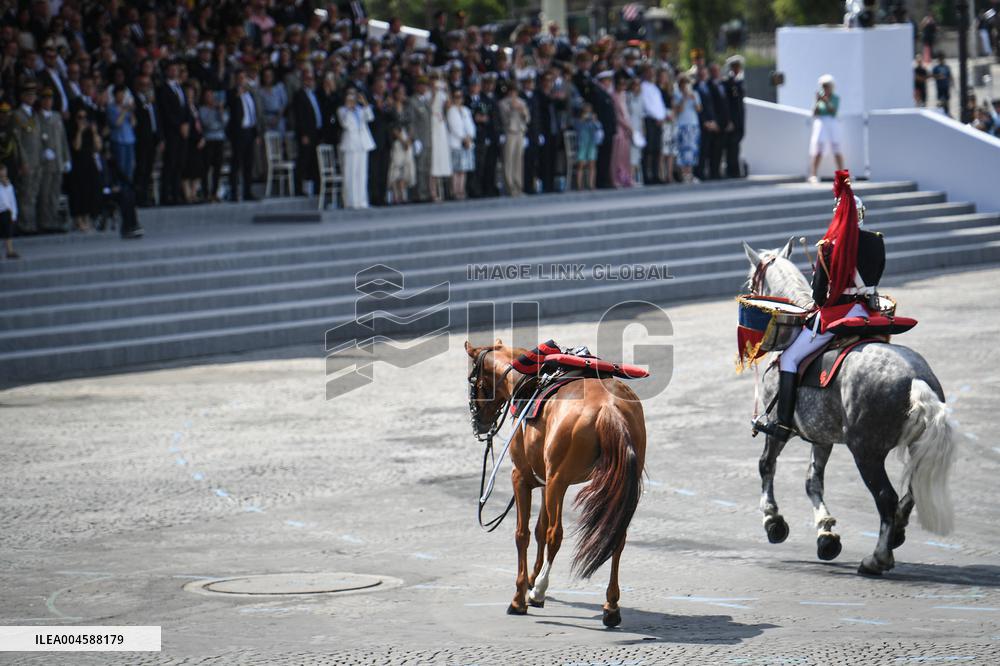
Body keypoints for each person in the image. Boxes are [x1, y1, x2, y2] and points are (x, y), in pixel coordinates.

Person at [755, 171, 883, 441]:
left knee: (788, 359)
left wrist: (822, 276)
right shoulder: (877, 241)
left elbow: (819, 298)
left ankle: (784, 424)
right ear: (862, 215)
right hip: (870, 312)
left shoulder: (829, 247)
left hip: (841, 315)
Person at [38, 87, 70, 232]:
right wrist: (43, 152)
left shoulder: (56, 116)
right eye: (45, 99)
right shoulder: (37, 117)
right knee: (45, 193)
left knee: (55, 193)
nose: (48, 102)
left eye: (50, 99)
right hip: (45, 163)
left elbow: (63, 140)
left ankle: (53, 219)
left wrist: (66, 158)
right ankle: (45, 221)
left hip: (57, 161)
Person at [226, 68, 261, 202]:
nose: (242, 81)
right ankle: (234, 192)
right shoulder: (231, 93)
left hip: (249, 131)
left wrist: (256, 133)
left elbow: (253, 114)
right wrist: (237, 94)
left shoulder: (250, 94)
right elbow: (229, 107)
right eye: (239, 78)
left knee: (248, 163)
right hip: (238, 132)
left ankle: (248, 191)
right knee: (236, 163)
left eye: (244, 78)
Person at [337, 88, 375, 209]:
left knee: (362, 174)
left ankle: (362, 201)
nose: (353, 99)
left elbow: (370, 117)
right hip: (350, 145)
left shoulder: (361, 109)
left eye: (354, 96)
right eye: (350, 96)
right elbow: (345, 124)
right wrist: (349, 108)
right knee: (350, 174)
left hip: (362, 144)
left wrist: (364, 103)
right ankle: (350, 201)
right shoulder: (342, 110)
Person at [68, 109, 104, 232]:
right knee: (79, 191)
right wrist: (80, 130)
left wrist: (94, 132)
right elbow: (76, 146)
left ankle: (88, 216)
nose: (83, 120)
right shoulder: (73, 130)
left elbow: (98, 146)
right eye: (80, 117)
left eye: (85, 117)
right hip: (78, 164)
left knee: (90, 189)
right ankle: (79, 219)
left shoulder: (90, 131)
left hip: (90, 162)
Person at [13, 81, 41, 234]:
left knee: (34, 193)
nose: (32, 98)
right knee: (25, 194)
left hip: (37, 159)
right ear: (22, 96)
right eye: (29, 95)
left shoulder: (34, 114)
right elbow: (18, 141)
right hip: (27, 161)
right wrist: (22, 161)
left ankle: (32, 223)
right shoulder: (17, 115)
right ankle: (25, 225)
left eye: (33, 95)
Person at [808, 74, 844, 184]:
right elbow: (814, 113)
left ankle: (842, 176)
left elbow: (833, 111)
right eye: (823, 86)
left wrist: (826, 101)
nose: (824, 88)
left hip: (832, 124)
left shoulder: (835, 98)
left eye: (826, 86)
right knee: (818, 148)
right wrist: (817, 101)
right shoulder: (820, 99)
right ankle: (813, 174)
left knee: (836, 147)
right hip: (821, 124)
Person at [292, 68, 323, 196]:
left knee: (315, 162)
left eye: (311, 79)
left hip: (316, 131)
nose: (309, 81)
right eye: (307, 79)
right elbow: (299, 116)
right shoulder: (299, 95)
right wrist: (303, 134)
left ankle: (316, 188)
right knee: (303, 161)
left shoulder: (314, 93)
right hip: (306, 133)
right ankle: (298, 189)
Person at [498, 81, 529, 196]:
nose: (513, 94)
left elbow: (527, 118)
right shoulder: (503, 103)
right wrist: (512, 108)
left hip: (520, 132)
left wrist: (522, 110)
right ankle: (509, 187)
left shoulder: (522, 102)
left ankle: (518, 186)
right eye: (511, 91)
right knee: (508, 160)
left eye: (515, 92)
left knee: (518, 160)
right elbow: (504, 119)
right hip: (509, 132)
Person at [405, 76, 433, 202]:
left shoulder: (425, 101)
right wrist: (414, 138)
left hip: (427, 139)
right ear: (417, 87)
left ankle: (426, 192)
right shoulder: (412, 101)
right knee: (419, 168)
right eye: (421, 85)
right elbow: (410, 121)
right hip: (419, 139)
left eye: (425, 85)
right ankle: (419, 194)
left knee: (426, 167)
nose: (424, 88)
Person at [387, 85, 416, 204]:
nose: (402, 95)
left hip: (407, 138)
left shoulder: (407, 107)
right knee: (396, 165)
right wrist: (401, 139)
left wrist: (409, 139)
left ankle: (403, 194)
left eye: (403, 93)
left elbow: (411, 124)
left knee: (407, 164)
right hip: (397, 139)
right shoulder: (392, 108)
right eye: (399, 93)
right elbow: (391, 125)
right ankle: (395, 194)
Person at [639, 64, 667, 185]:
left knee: (657, 149)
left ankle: (656, 174)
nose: (652, 75)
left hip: (658, 121)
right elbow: (647, 105)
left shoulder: (654, 87)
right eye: (649, 72)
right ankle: (646, 175)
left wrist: (662, 116)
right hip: (649, 120)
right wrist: (657, 116)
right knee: (648, 149)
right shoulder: (643, 87)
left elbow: (659, 105)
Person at [446, 86, 475, 200]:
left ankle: (461, 189)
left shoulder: (466, 110)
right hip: (456, 143)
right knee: (456, 169)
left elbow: (470, 125)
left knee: (463, 170)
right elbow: (455, 127)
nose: (458, 99)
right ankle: (455, 191)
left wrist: (470, 137)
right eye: (456, 97)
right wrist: (463, 138)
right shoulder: (451, 111)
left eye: (460, 97)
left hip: (467, 143)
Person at [199, 87, 226, 202]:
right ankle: (206, 192)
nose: (210, 98)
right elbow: (206, 123)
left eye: (211, 96)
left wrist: (220, 111)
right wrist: (211, 110)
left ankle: (215, 192)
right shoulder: (202, 109)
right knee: (206, 167)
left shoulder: (218, 108)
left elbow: (224, 121)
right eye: (208, 96)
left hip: (219, 138)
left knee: (217, 167)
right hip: (208, 139)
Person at [673, 73, 701, 184]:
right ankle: (683, 174)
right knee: (683, 150)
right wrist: (684, 98)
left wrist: (693, 99)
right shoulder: (676, 95)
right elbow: (678, 110)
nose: (685, 87)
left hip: (693, 125)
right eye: (683, 85)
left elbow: (699, 109)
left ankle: (690, 174)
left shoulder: (695, 94)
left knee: (692, 150)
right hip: (682, 125)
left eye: (687, 84)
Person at [107, 85, 137, 189]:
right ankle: (121, 191)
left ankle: (128, 192)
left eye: (123, 95)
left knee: (130, 168)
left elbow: (133, 123)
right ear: (115, 95)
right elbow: (116, 123)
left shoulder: (127, 107)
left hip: (130, 140)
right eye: (119, 94)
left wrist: (131, 112)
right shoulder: (111, 107)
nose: (121, 97)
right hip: (118, 140)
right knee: (121, 168)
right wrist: (124, 111)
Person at [429, 76, 452, 201]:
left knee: (442, 156)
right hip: (432, 124)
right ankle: (432, 191)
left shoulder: (442, 93)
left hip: (440, 123)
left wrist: (447, 91)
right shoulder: (428, 93)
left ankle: (443, 191)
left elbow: (449, 106)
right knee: (433, 158)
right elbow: (429, 106)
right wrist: (433, 92)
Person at [724, 56, 746, 179]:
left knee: (736, 146)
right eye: (736, 66)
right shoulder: (729, 82)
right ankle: (731, 170)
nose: (738, 69)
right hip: (733, 119)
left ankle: (736, 169)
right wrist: (729, 120)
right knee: (731, 146)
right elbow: (728, 103)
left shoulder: (739, 80)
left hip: (739, 119)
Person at [611, 72, 633, 188]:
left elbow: (627, 112)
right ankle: (616, 178)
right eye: (621, 84)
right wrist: (627, 126)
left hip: (626, 126)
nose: (623, 86)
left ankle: (626, 177)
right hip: (619, 127)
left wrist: (629, 126)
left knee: (626, 155)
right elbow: (617, 115)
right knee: (618, 155)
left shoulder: (624, 95)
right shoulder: (613, 96)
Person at [574, 102, 601, 190]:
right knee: (581, 164)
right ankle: (579, 185)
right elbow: (576, 127)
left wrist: (594, 120)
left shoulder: (593, 119)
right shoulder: (579, 120)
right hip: (582, 144)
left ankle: (591, 184)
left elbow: (599, 127)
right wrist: (582, 120)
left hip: (591, 144)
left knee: (592, 164)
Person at [657, 68, 675, 184]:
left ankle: (670, 174)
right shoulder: (656, 90)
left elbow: (673, 105)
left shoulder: (669, 90)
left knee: (671, 150)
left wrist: (673, 114)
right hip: (662, 119)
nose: (664, 79)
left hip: (671, 119)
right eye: (662, 76)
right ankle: (661, 175)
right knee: (662, 150)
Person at [0, 163, 19, 258]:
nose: (3, 177)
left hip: (7, 212)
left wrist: (14, 214)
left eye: (4, 174)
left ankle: (9, 250)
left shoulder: (9, 186)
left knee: (8, 232)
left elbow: (12, 200)